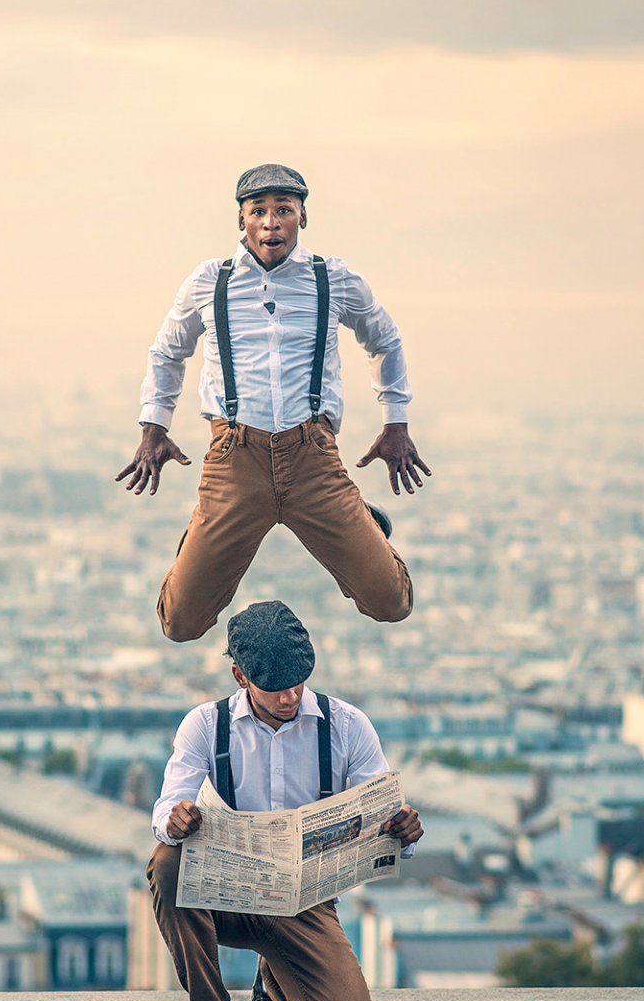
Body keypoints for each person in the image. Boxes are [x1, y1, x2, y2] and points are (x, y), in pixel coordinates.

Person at [117, 163, 432, 643]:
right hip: (234, 459)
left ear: (301, 217)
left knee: (391, 602)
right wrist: (152, 427)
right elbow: (167, 351)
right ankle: (200, 536)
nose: (271, 222)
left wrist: (396, 423)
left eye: (283, 210)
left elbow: (384, 339)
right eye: (258, 211)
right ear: (241, 221)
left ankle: (362, 522)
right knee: (180, 623)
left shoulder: (333, 279)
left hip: (313, 456)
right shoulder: (209, 282)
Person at [147, 600, 423, 1001]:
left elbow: (379, 809)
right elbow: (167, 807)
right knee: (166, 862)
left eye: (299, 682)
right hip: (222, 895)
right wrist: (176, 821)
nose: (291, 697)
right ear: (239, 676)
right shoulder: (205, 725)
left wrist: (402, 831)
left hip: (304, 904)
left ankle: (272, 981)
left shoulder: (347, 725)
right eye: (275, 688)